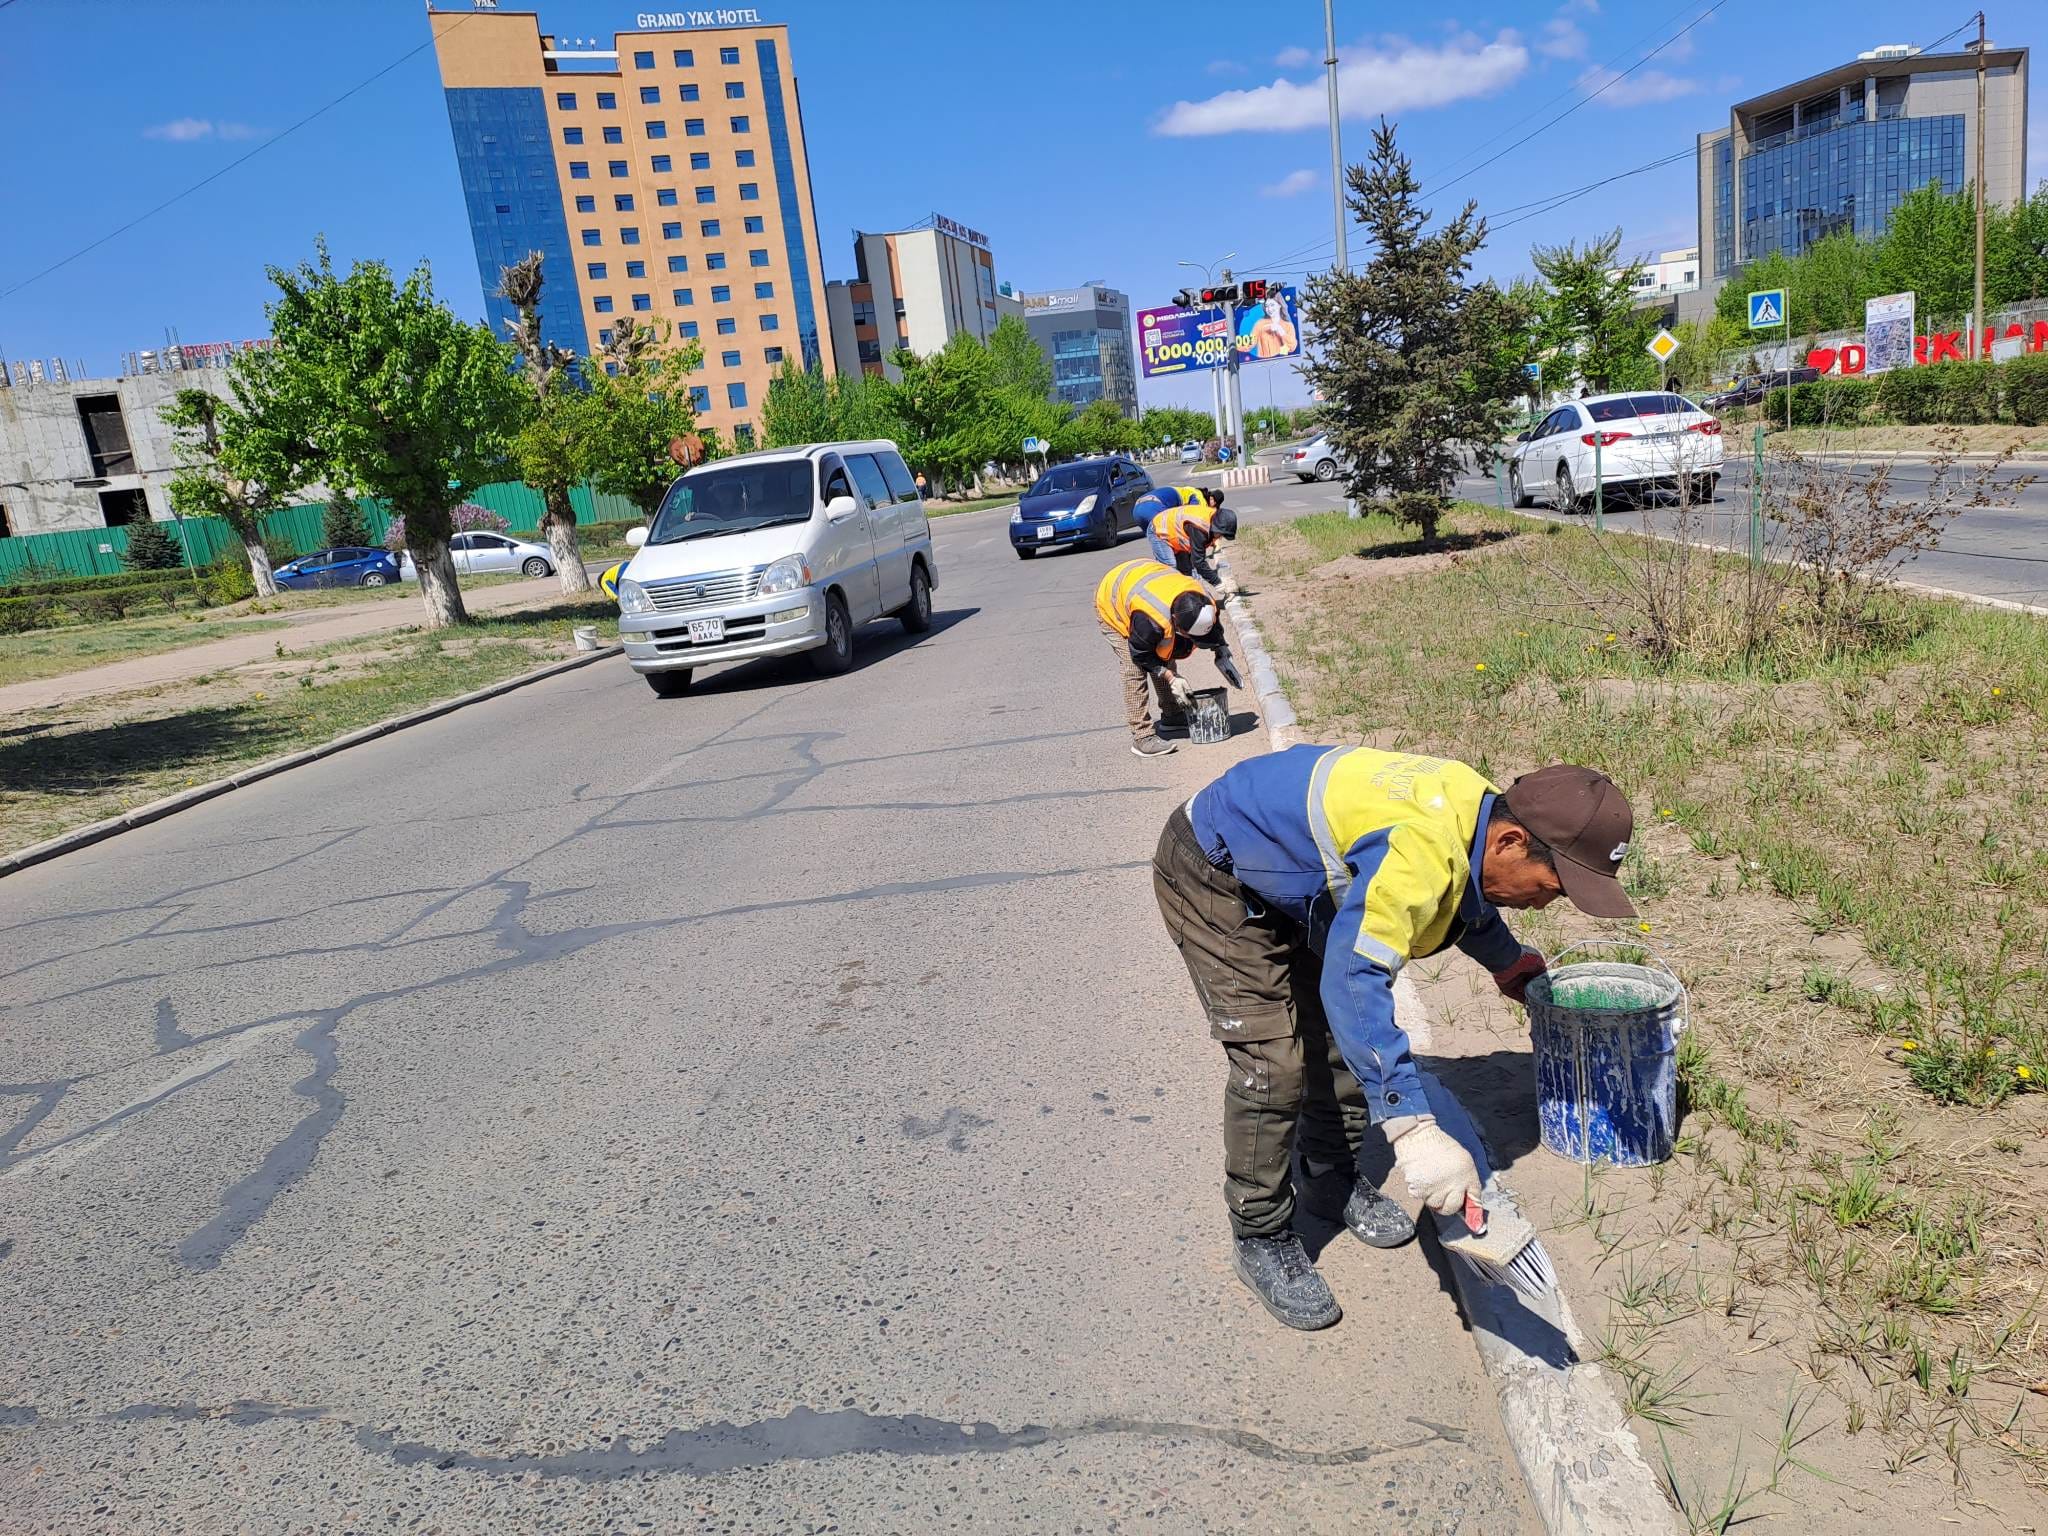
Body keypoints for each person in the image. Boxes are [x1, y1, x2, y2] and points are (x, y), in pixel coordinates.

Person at [1152, 746, 1636, 1328]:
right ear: (1510, 842)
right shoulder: (1422, 848)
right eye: (1551, 887)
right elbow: (1358, 976)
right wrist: (1411, 1127)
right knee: (1274, 1062)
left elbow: (1465, 899)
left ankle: (1330, 1180)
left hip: (1288, 872)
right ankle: (1261, 1232)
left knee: (1335, 1039)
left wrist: (1507, 962)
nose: (1544, 903)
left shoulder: (1474, 818)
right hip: (1214, 870)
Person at [1095, 557, 1244, 758]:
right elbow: (1141, 654)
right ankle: (1142, 736)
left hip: (1145, 577)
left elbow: (1213, 627)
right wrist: (1169, 676)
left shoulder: (1202, 601)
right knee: (1134, 669)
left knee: (1165, 652)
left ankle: (1172, 715)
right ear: (1176, 621)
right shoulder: (1150, 619)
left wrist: (1221, 651)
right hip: (1112, 601)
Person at [1147, 496, 1238, 591]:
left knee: (1187, 571)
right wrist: (1217, 582)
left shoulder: (1212, 519)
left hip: (1175, 533)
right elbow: (1198, 562)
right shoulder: (1199, 528)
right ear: (1215, 527)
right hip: (1158, 529)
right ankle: (1167, 597)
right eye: (1220, 534)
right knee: (1171, 566)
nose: (1220, 537)